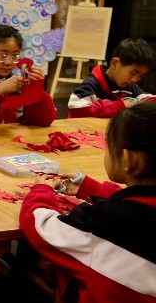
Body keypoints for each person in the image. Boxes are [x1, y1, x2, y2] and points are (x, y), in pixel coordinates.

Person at [20, 103, 156, 302]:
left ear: (129, 160)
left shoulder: (103, 222)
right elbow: (141, 203)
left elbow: (42, 229)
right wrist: (94, 190)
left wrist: (41, 191)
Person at [67, 38, 156, 118]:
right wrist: (119, 106)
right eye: (132, 73)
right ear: (114, 63)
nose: (135, 80)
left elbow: (148, 100)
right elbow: (77, 110)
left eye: (141, 76)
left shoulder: (131, 88)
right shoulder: (91, 85)